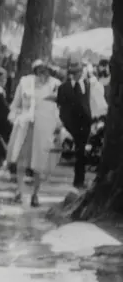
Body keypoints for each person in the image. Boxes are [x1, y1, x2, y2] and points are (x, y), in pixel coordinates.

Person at [6, 59, 61, 206]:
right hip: (25, 126)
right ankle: (19, 191)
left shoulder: (55, 85)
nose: (43, 75)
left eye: (46, 71)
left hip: (43, 128)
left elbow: (58, 108)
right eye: (40, 71)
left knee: (39, 162)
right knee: (21, 160)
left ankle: (35, 194)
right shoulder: (25, 83)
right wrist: (16, 117)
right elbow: (15, 105)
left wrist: (57, 125)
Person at [58, 60, 94, 190]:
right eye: (74, 72)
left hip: (85, 123)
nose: (77, 74)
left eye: (79, 72)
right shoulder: (64, 87)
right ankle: (78, 179)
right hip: (71, 123)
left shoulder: (87, 84)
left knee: (81, 151)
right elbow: (61, 106)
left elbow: (88, 102)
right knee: (78, 150)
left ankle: (79, 179)